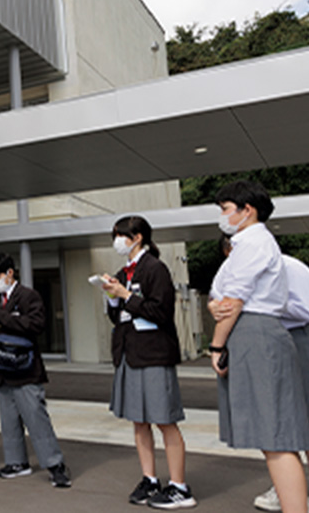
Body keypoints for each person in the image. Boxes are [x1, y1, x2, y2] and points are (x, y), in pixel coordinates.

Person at [209, 180, 309, 513]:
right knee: (274, 436)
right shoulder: (250, 244)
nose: (222, 216)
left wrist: (215, 347)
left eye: (225, 209)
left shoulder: (252, 243)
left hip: (256, 333)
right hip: (257, 332)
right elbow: (222, 301)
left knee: (275, 437)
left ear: (246, 210)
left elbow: (233, 301)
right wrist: (217, 307)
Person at [101, 216, 195, 509]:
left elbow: (161, 311)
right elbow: (119, 316)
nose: (117, 241)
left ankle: (180, 486)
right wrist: (114, 298)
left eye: (121, 235)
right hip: (130, 352)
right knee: (139, 420)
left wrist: (125, 295)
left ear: (137, 237)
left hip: (153, 353)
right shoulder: (123, 272)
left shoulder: (155, 268)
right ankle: (150, 479)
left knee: (164, 419)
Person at [0, 253, 70, 488]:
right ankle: (16, 462)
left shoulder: (28, 296)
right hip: (2, 366)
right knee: (8, 420)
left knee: (36, 417)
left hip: (26, 367)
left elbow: (36, 325)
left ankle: (55, 465)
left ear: (10, 273)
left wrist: (0, 317)